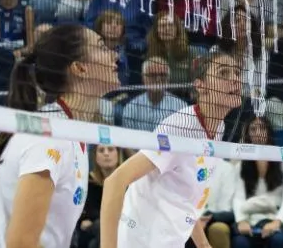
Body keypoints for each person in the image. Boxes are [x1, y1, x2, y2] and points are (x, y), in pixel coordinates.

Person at [0, 23, 121, 248]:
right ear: (80, 68)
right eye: (102, 47)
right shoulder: (48, 138)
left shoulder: (72, 130)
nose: (115, 55)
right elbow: (21, 244)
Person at [99, 50, 243, 248]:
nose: (235, 79)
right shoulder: (180, 127)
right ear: (201, 86)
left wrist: (203, 245)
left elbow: (185, 200)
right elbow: (114, 181)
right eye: (224, 73)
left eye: (237, 73)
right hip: (140, 240)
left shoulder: (218, 127)